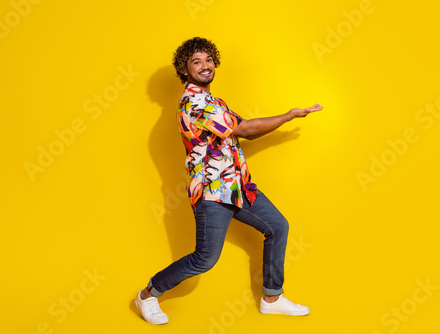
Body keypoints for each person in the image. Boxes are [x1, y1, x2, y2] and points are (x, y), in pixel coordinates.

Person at [136, 37, 323, 325]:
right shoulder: (195, 101)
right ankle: (148, 294)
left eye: (208, 59)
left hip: (237, 186)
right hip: (212, 191)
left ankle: (271, 297)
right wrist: (288, 116)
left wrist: (274, 123)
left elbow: (242, 130)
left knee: (277, 226)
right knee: (205, 259)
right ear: (184, 70)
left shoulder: (213, 100)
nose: (205, 66)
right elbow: (245, 129)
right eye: (196, 62)